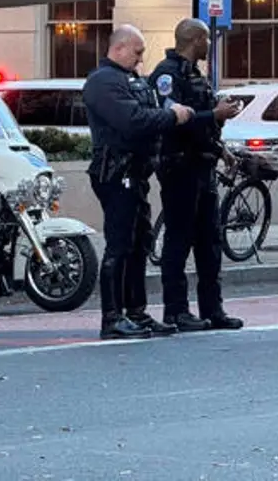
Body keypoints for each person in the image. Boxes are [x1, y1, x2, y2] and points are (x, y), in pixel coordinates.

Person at [82, 23, 195, 340]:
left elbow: (148, 112)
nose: (141, 58)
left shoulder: (128, 80)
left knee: (138, 243)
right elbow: (132, 121)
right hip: (116, 173)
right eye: (137, 51)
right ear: (118, 49)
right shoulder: (103, 82)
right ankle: (112, 317)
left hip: (136, 173)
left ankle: (136, 311)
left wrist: (167, 114)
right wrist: (173, 116)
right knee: (119, 245)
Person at [148, 18, 246, 333]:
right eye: (206, 40)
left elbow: (202, 124)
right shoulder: (167, 75)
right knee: (179, 240)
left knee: (209, 240)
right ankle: (176, 311)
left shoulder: (195, 75)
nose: (209, 46)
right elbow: (170, 119)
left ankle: (212, 309)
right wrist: (213, 114)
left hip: (203, 167)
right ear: (195, 39)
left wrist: (221, 148)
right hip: (179, 168)